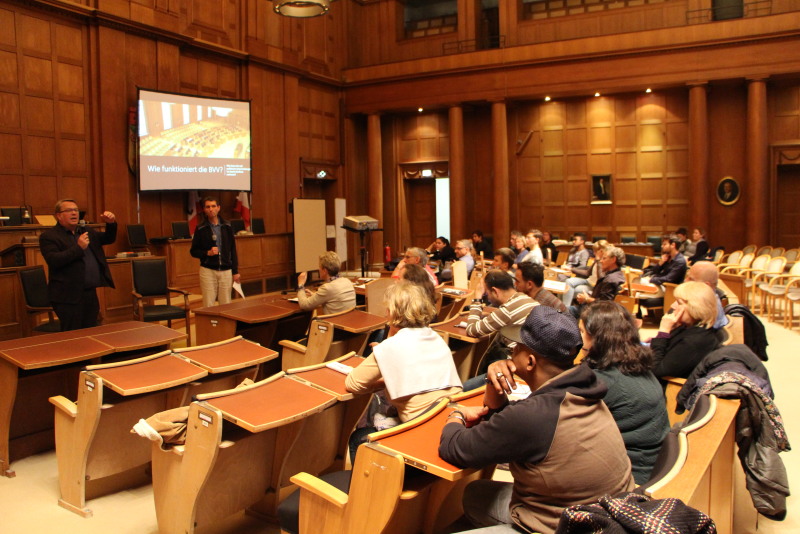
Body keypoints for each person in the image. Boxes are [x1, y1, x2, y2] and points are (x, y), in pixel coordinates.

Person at [439, 306, 634, 534]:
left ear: (530, 362)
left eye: (516, 348)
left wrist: (456, 414)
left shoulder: (534, 416)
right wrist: (495, 382)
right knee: (476, 494)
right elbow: (512, 427)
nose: (511, 351)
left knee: (474, 498)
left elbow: (455, 449)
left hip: (570, 527)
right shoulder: (583, 390)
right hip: (608, 515)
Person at [345, 282, 462, 454]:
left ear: (392, 312)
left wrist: (383, 382)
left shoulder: (391, 346)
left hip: (419, 430)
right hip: (449, 422)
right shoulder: (436, 337)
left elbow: (353, 383)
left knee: (358, 439)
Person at [579, 301, 670, 484]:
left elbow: (560, 425)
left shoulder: (604, 383)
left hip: (627, 479)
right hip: (648, 467)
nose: (577, 337)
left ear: (597, 338)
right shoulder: (637, 366)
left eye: (581, 332)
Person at [40, 199, 117, 330]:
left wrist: (111, 224)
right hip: (67, 296)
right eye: (69, 210)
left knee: (91, 332)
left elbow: (108, 238)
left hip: (89, 293)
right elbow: (54, 260)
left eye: (76, 210)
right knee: (73, 336)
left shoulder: (85, 231)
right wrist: (78, 248)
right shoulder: (49, 236)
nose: (74, 213)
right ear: (58, 215)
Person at [651, 281, 721, 379]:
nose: (673, 306)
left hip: (667, 388)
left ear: (695, 308)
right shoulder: (688, 327)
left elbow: (655, 370)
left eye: (679, 303)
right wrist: (669, 332)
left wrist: (663, 332)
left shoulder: (696, 341)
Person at [190, 197, 240, 307]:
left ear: (218, 208)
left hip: (226, 270)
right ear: (204, 210)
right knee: (209, 305)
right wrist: (207, 253)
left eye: (213, 206)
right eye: (208, 207)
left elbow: (233, 249)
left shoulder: (227, 226)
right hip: (208, 270)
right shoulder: (201, 228)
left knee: (226, 304)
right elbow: (193, 251)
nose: (211, 209)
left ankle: (225, 325)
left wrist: (235, 271)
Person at [569, 246, 626, 318]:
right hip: (594, 310)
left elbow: (605, 305)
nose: (601, 261)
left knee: (561, 311)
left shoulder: (610, 280)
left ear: (613, 259)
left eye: (604, 258)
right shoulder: (618, 275)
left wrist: (586, 299)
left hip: (595, 314)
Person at [296, 251, 356, 315]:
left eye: (319, 267)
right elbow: (333, 298)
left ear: (324, 271)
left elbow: (304, 305)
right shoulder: (347, 281)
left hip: (333, 323)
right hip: (347, 322)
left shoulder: (327, 288)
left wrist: (301, 284)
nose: (318, 269)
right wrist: (315, 296)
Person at [561, 239, 610, 306]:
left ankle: (565, 310)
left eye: (595, 251)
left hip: (595, 286)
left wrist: (598, 261)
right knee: (566, 283)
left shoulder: (606, 261)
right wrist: (572, 269)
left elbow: (600, 278)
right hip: (588, 281)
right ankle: (563, 308)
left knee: (570, 290)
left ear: (601, 251)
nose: (594, 253)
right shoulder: (597, 259)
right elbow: (587, 273)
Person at [686, 261, 729, 329]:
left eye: (691, 279)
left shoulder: (704, 310)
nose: (685, 281)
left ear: (706, 286)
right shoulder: (708, 299)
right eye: (687, 277)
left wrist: (665, 332)